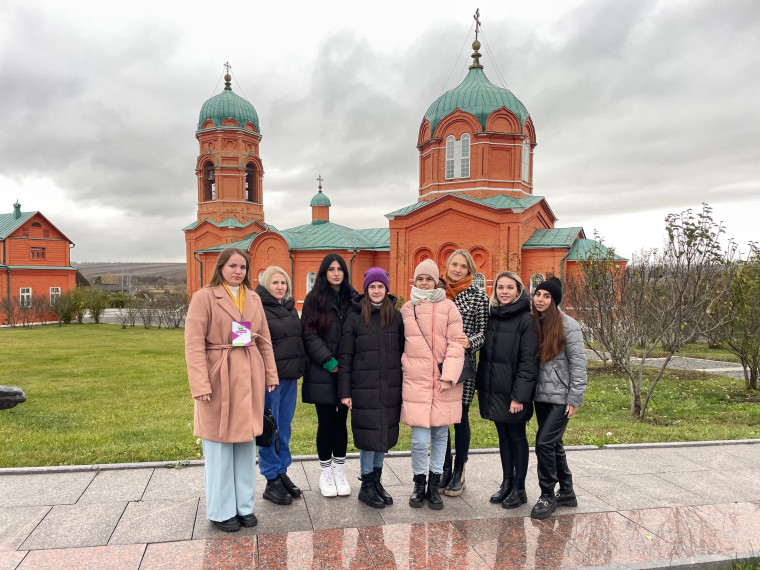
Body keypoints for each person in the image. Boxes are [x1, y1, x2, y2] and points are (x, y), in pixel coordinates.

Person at [185, 247, 278, 532]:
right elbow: (193, 344)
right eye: (233, 266)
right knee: (220, 447)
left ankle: (243, 507)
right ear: (221, 267)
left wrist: (270, 373)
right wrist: (200, 384)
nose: (238, 271)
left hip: (249, 377)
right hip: (218, 378)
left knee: (245, 446)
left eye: (243, 267)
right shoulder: (204, 297)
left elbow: (264, 339)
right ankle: (221, 510)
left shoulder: (253, 298)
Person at [400, 258, 464, 510]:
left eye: (429, 278)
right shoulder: (406, 309)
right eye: (420, 279)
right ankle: (418, 483)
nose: (425, 283)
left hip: (443, 381)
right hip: (415, 380)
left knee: (440, 435)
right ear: (414, 281)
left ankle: (434, 484)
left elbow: (457, 343)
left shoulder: (449, 308)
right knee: (418, 438)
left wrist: (449, 375)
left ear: (437, 280)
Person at [338, 267, 404, 508]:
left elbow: (402, 350)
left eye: (381, 286)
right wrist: (345, 391)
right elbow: (346, 355)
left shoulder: (395, 317)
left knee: (383, 434)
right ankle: (366, 484)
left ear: (386, 289)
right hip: (364, 387)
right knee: (368, 436)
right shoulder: (355, 316)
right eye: (372, 287)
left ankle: (377, 481)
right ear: (366, 290)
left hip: (389, 386)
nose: (377, 290)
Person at [476, 270, 538, 509]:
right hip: (494, 390)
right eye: (500, 287)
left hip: (514, 394)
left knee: (517, 437)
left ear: (518, 290)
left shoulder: (526, 320)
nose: (504, 292)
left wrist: (519, 397)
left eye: (509, 287)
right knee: (503, 437)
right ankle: (507, 482)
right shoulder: (493, 316)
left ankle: (520, 488)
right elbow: (487, 358)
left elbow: (528, 362)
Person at [530, 276, 588, 520]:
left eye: (546, 296)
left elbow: (578, 364)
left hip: (560, 398)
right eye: (537, 294)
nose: (540, 299)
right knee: (554, 444)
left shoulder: (568, 325)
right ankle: (567, 491)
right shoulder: (533, 322)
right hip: (539, 396)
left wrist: (575, 398)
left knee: (543, 443)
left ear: (554, 300)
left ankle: (547, 495)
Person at [301, 253, 358, 497]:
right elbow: (309, 335)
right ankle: (326, 473)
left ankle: (339, 471)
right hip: (323, 372)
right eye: (331, 269)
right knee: (326, 423)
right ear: (324, 273)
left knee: (341, 423)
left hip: (347, 372)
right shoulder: (314, 299)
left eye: (340, 269)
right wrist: (329, 361)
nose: (336, 273)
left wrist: (347, 364)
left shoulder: (353, 298)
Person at [255, 266, 307, 505]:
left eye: (283, 283)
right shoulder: (254, 307)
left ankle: (281, 471)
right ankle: (270, 479)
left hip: (289, 379)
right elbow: (240, 342)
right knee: (269, 428)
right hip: (269, 381)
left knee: (284, 427)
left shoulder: (289, 308)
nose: (280, 287)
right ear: (266, 284)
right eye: (275, 282)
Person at [440, 249, 489, 496]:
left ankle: (459, 469)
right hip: (439, 364)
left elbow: (485, 332)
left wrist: (470, 341)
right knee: (442, 418)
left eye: (463, 266)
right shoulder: (437, 293)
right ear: (447, 266)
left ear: (470, 271)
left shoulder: (478, 297)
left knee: (460, 417)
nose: (457, 270)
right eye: (454, 265)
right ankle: (444, 467)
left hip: (464, 365)